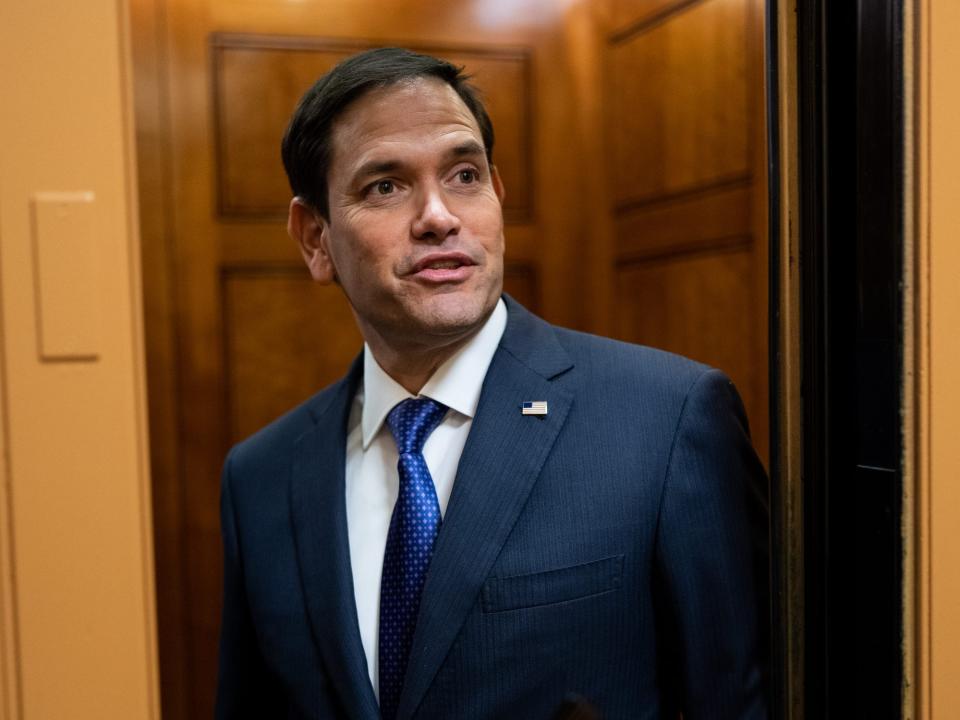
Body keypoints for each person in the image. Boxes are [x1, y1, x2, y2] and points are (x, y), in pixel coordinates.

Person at [215, 47, 769, 720]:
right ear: (314, 239)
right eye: (384, 186)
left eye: (464, 175)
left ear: (497, 196)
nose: (439, 216)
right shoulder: (261, 477)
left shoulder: (667, 421)